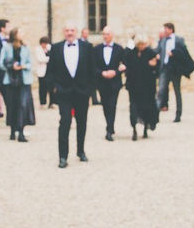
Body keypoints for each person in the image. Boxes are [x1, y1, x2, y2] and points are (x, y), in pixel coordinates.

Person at [45, 21, 97, 167]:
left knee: (82, 123)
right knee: (65, 122)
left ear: (76, 32)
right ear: (63, 32)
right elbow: (50, 72)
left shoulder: (87, 47)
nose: (69, 33)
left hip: (82, 92)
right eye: (67, 30)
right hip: (64, 92)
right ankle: (63, 156)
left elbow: (92, 70)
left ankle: (81, 151)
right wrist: (54, 88)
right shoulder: (56, 48)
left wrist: (90, 90)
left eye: (72, 30)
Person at [0, 28, 33, 142]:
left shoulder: (25, 48)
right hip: (10, 81)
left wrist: (23, 66)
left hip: (24, 81)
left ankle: (21, 132)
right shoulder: (6, 47)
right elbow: (1, 63)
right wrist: (11, 67)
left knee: (23, 105)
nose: (22, 34)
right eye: (20, 32)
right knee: (12, 105)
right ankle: (12, 131)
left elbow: (30, 64)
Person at [123, 34, 160, 141]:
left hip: (147, 87)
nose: (142, 46)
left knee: (146, 108)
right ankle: (134, 128)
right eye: (140, 44)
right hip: (134, 86)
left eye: (144, 44)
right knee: (133, 108)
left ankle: (145, 128)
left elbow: (157, 68)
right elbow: (127, 65)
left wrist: (153, 65)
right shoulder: (131, 53)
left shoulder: (150, 53)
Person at [157, 22, 194, 122]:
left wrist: (174, 54)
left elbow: (183, 53)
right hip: (165, 68)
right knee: (161, 90)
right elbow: (157, 51)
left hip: (175, 69)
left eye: (165, 29)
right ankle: (156, 113)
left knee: (177, 92)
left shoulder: (179, 40)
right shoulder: (162, 41)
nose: (164, 31)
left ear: (170, 29)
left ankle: (178, 114)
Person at [94, 26, 125, 141]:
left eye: (107, 34)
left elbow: (124, 65)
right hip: (102, 82)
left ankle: (109, 129)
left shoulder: (119, 49)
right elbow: (93, 66)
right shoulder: (96, 49)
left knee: (112, 105)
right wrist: (102, 73)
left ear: (112, 35)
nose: (105, 36)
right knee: (105, 106)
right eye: (104, 34)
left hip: (115, 82)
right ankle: (109, 125)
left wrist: (116, 72)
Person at [33, 36, 52, 108]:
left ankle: (52, 103)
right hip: (42, 71)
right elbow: (40, 59)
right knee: (42, 88)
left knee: (51, 87)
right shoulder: (38, 49)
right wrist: (49, 59)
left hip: (49, 71)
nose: (45, 45)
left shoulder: (49, 48)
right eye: (44, 43)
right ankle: (42, 103)